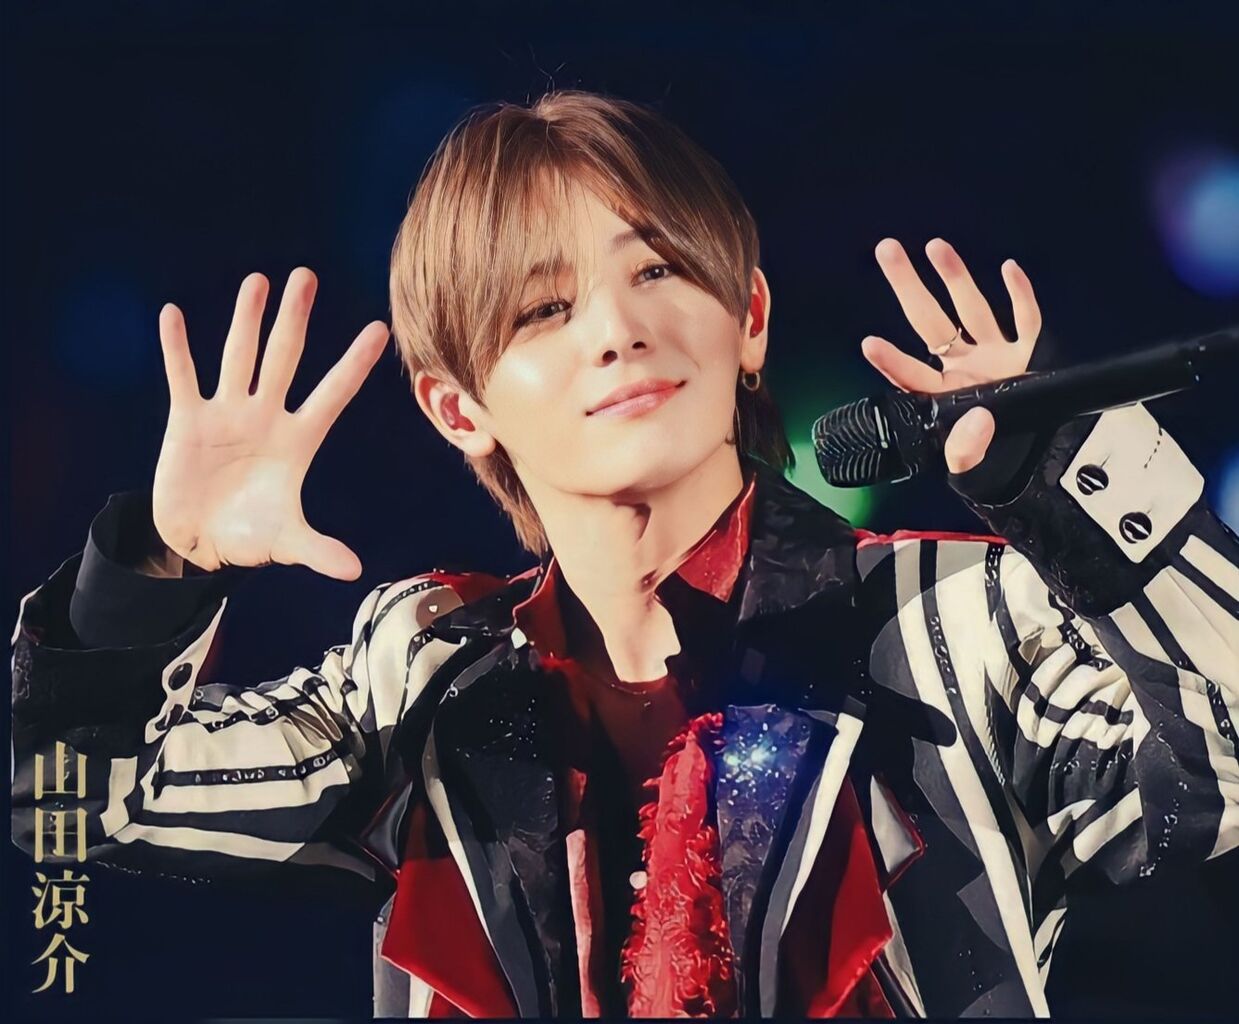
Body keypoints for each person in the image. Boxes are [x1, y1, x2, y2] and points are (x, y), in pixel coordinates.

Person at [11, 89, 1239, 1018]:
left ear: (748, 318)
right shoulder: (422, 670)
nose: (616, 329)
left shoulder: (949, 618)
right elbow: (64, 804)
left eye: (656, 267)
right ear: (458, 407)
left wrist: (1075, 482)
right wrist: (160, 563)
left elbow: (1223, 777)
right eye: (544, 309)